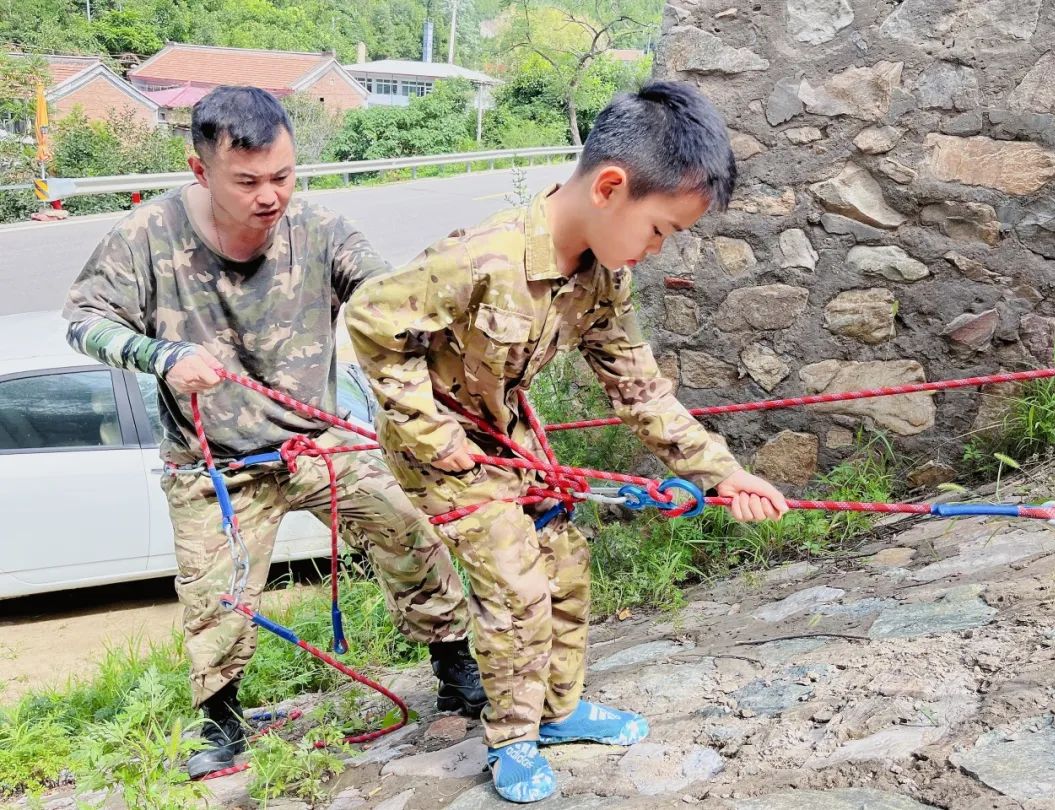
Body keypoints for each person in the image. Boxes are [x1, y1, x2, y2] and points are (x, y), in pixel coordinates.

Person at [346, 80, 789, 803]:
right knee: (515, 583)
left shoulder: (601, 280)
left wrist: (722, 474)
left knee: (564, 564)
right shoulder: (483, 259)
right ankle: (512, 738)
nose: (654, 249)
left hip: (509, 439)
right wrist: (426, 429)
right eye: (660, 230)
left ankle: (557, 711)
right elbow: (370, 321)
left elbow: (640, 389)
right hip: (442, 450)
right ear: (611, 187)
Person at [62, 86, 485, 779]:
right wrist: (162, 356)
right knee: (216, 597)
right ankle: (222, 719)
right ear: (201, 172)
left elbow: (384, 293)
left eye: (284, 176)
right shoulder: (146, 236)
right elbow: (84, 318)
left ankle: (455, 668)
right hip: (215, 463)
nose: (271, 195)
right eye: (249, 180)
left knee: (410, 527)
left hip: (316, 443)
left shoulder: (319, 229)